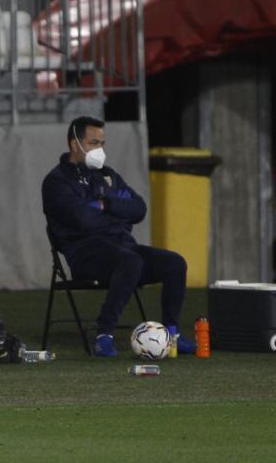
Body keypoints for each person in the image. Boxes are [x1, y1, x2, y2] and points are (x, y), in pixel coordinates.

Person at [42, 116, 196, 357]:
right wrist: (116, 213)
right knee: (130, 261)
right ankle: (104, 334)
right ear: (75, 145)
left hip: (122, 248)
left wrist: (105, 204)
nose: (100, 150)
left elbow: (138, 209)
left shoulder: (107, 176)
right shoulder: (56, 182)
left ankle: (171, 334)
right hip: (85, 254)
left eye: (102, 143)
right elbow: (82, 220)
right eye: (94, 143)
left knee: (175, 263)